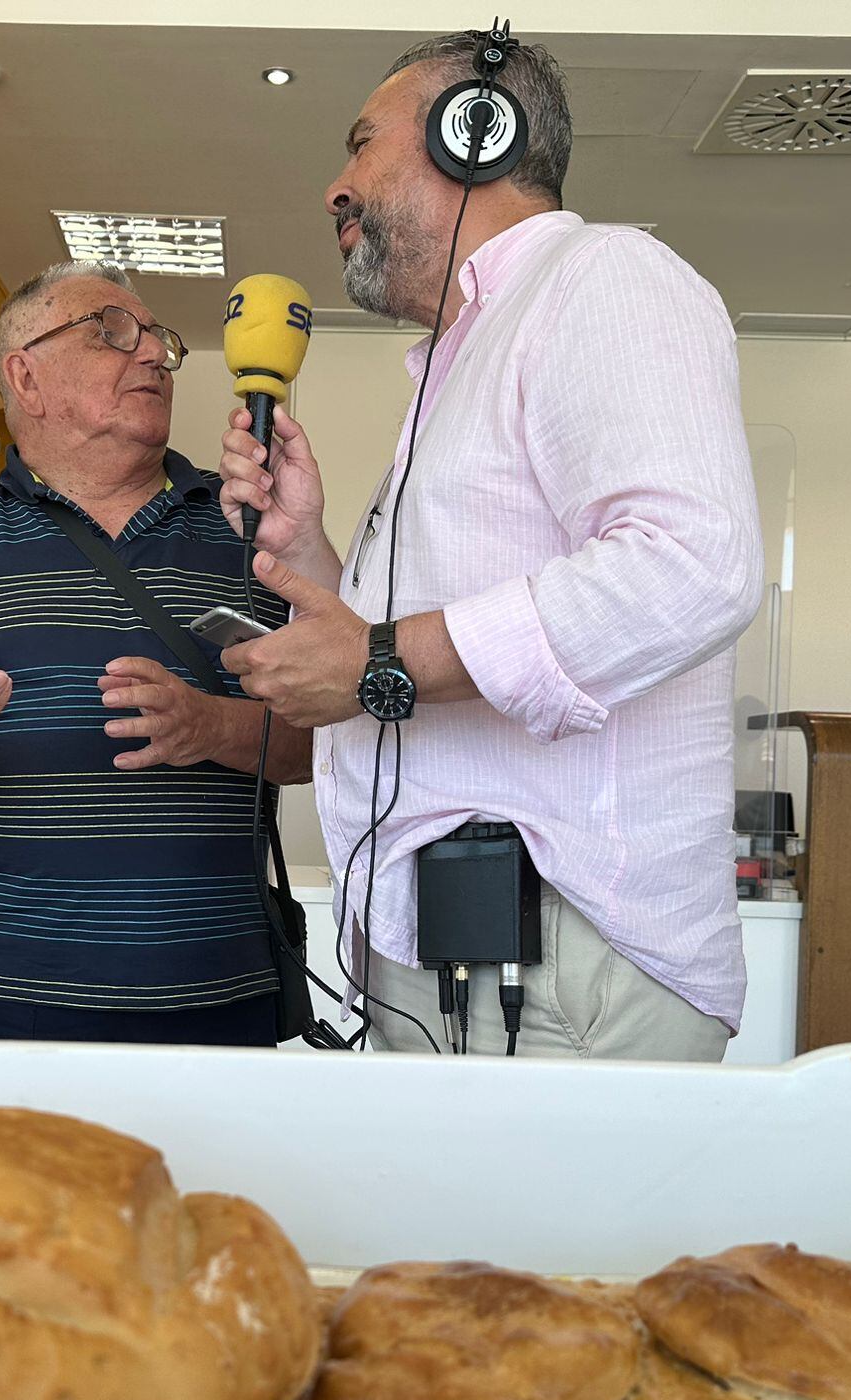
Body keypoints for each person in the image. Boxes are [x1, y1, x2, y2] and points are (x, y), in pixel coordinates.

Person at [216, 31, 763, 1060]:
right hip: (462, 948)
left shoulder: (603, 279)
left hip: (559, 957)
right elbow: (406, 640)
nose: (335, 189)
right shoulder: (460, 359)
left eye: (359, 146)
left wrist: (379, 663)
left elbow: (693, 563)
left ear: (474, 134)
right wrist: (312, 552)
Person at [0, 261, 310, 1046]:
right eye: (114, 332)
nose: (152, 354)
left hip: (219, 1006)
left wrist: (209, 726)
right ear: (27, 374)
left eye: (158, 339)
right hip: (4, 1008)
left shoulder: (249, 531)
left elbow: (323, 746)